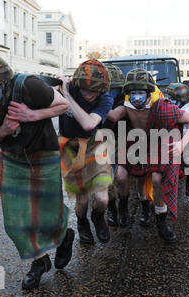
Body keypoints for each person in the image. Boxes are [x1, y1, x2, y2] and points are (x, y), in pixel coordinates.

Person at [0, 49, 74, 290]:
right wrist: (3, 129)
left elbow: (63, 105)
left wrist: (32, 114)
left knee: (48, 214)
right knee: (15, 221)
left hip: (44, 152)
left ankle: (65, 237)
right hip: (12, 158)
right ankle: (39, 262)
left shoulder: (29, 85)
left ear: (4, 81)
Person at [107, 69, 189, 242]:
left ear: (148, 92)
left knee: (158, 180)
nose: (136, 97)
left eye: (140, 93)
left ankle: (161, 222)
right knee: (120, 176)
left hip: (158, 144)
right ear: (128, 93)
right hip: (135, 144)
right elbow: (111, 115)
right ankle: (127, 210)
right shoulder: (126, 107)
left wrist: (182, 143)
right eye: (133, 93)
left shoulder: (162, 106)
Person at [58, 60, 114, 246]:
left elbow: (89, 124)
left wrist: (67, 95)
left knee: (102, 198)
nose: (90, 95)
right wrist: (59, 86)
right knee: (81, 201)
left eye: (94, 91)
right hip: (70, 148)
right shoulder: (68, 87)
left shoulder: (106, 98)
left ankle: (98, 217)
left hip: (94, 144)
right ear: (78, 85)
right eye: (85, 90)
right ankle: (82, 222)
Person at [165, 83, 189, 197]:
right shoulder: (180, 105)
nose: (169, 100)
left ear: (181, 99)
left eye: (172, 99)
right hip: (180, 134)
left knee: (188, 161)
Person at [102, 63, 126, 228]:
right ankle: (112, 208)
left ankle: (123, 206)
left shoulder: (126, 97)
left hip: (123, 136)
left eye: (114, 89)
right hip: (102, 139)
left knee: (122, 176)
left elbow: (114, 116)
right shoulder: (94, 94)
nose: (111, 92)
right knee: (107, 177)